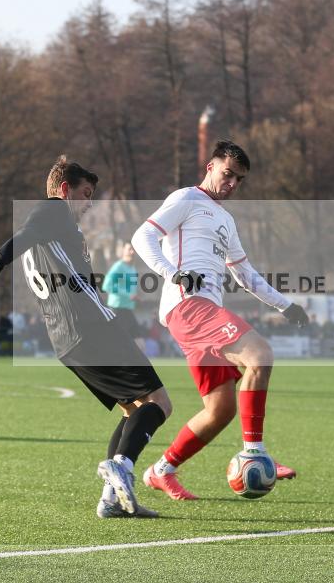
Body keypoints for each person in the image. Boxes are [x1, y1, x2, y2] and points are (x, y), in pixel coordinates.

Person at [0, 155, 173, 519]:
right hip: (93, 327)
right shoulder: (53, 212)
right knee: (160, 403)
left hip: (66, 340)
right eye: (85, 193)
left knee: (133, 410)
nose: (89, 203)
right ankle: (122, 467)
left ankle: (111, 500)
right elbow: (23, 236)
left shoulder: (52, 228)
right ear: (65, 191)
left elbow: (29, 240)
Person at [131, 139, 308, 501]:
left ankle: (160, 471)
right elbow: (142, 236)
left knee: (220, 410)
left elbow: (245, 273)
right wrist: (173, 273)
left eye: (239, 179)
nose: (231, 184)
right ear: (210, 167)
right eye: (227, 174)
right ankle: (255, 453)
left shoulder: (225, 219)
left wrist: (284, 305)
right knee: (260, 354)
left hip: (198, 314)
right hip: (190, 306)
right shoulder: (186, 199)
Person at [102, 243, 142, 341]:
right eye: (129, 249)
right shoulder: (118, 266)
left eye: (134, 249)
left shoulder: (132, 268)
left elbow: (129, 289)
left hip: (127, 309)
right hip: (117, 309)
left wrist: (135, 296)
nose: (132, 252)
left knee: (138, 340)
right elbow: (107, 286)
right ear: (123, 250)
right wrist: (129, 295)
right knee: (123, 340)